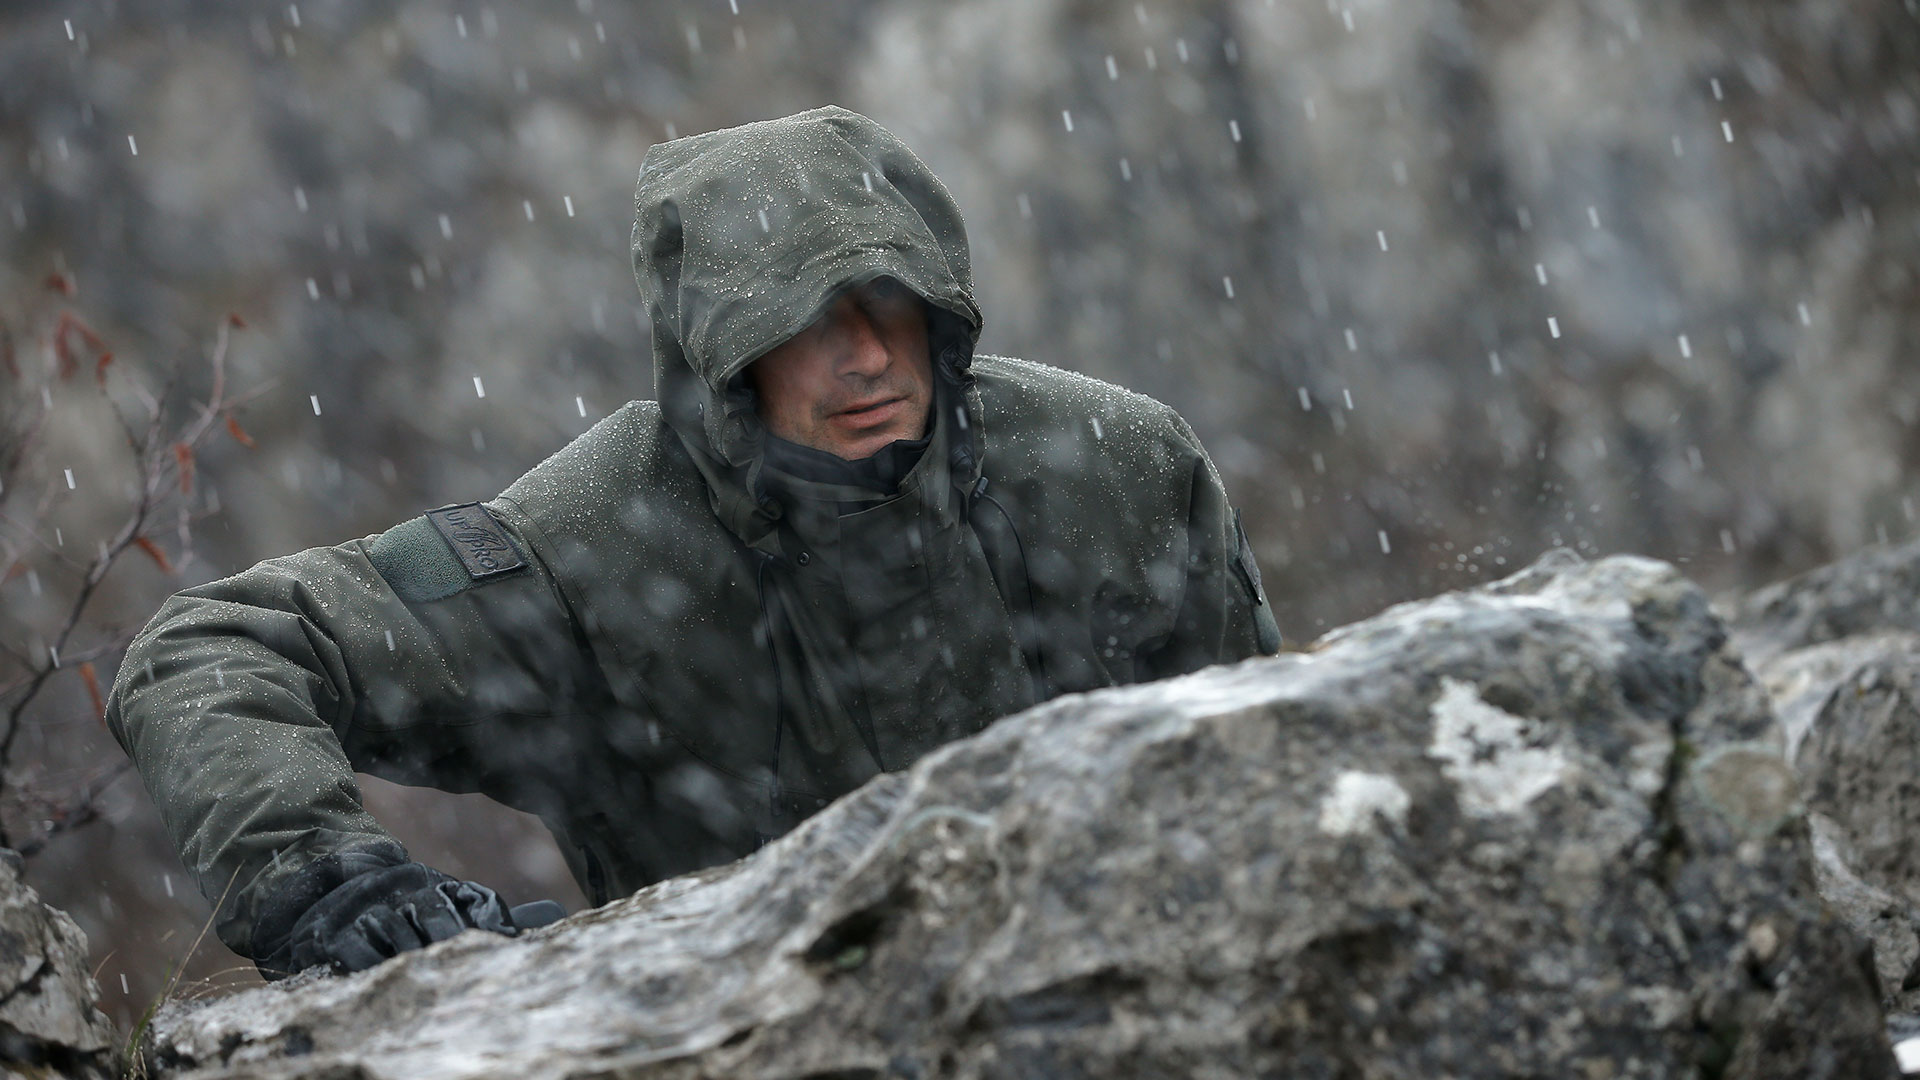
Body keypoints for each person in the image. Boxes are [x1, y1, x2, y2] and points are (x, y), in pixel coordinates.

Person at [106, 106, 1282, 978]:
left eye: (887, 303)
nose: (866, 355)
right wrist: (321, 879)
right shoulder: (590, 550)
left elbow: (1268, 777)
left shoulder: (1119, 465)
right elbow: (214, 649)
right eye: (806, 323)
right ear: (721, 359)